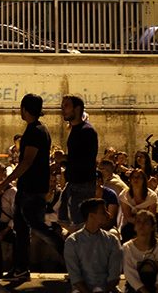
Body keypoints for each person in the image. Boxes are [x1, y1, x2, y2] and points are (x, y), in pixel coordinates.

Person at [0, 93, 65, 282]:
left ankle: (68, 255)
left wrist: (4, 182)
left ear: (25, 108)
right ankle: (20, 268)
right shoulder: (36, 129)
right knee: (21, 229)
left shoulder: (36, 131)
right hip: (28, 186)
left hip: (32, 188)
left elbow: (26, 162)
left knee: (37, 226)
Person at [63, 198, 123, 293]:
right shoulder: (72, 242)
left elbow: (114, 276)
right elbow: (75, 277)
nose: (109, 214)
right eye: (103, 212)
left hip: (107, 289)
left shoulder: (112, 240)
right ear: (91, 216)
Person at [62, 95, 99, 226]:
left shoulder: (87, 131)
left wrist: (65, 158)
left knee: (80, 223)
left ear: (77, 109)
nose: (63, 109)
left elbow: (86, 160)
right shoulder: (74, 130)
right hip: (73, 183)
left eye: (66, 106)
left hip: (83, 185)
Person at [122, 210, 158, 293]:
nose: (141, 225)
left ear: (152, 227)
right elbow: (129, 273)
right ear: (134, 226)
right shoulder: (127, 247)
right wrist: (143, 290)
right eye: (138, 221)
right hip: (135, 288)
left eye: (146, 222)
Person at [118, 168, 158, 242]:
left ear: (144, 180)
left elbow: (151, 215)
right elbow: (128, 216)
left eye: (139, 177)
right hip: (129, 225)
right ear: (130, 179)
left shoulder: (152, 196)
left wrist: (142, 224)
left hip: (147, 224)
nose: (136, 179)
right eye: (134, 177)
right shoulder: (124, 195)